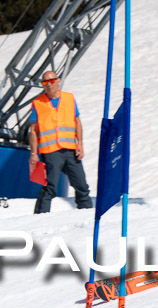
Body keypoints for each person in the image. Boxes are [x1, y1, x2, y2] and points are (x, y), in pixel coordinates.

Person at [29, 70, 92, 214]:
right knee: (49, 187)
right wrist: (33, 153)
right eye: (45, 82)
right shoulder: (38, 103)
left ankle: (87, 215)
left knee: (81, 184)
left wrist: (80, 144)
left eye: (52, 81)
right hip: (50, 152)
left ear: (58, 81)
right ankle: (40, 217)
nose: (49, 84)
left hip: (70, 149)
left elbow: (77, 122)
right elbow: (33, 130)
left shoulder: (69, 98)